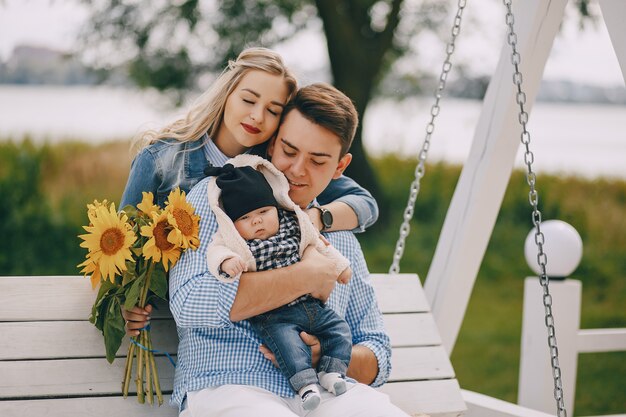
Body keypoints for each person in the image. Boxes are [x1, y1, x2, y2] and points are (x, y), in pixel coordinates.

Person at [169, 83, 410, 417]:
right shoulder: (216, 201)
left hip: (329, 393)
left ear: (340, 167)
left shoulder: (340, 238)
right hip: (231, 383)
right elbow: (189, 304)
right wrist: (307, 275)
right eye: (289, 150)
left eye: (317, 160)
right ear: (272, 143)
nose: (297, 169)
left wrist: (327, 352)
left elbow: (377, 353)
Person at [119, 47, 379, 332]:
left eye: (272, 110)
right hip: (174, 313)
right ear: (227, 94)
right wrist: (127, 301)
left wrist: (317, 218)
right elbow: (122, 247)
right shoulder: (161, 160)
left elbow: (364, 203)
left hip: (244, 316)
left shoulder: (274, 168)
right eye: (248, 100)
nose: (257, 116)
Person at [204, 155, 353, 410]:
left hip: (311, 307)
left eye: (263, 212)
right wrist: (227, 262)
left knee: (339, 330)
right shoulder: (237, 241)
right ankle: (306, 386)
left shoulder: (295, 224)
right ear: (233, 223)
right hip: (274, 316)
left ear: (275, 206)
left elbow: (319, 244)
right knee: (289, 347)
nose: (257, 221)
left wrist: (341, 267)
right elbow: (215, 251)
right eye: (246, 218)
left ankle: (332, 372)